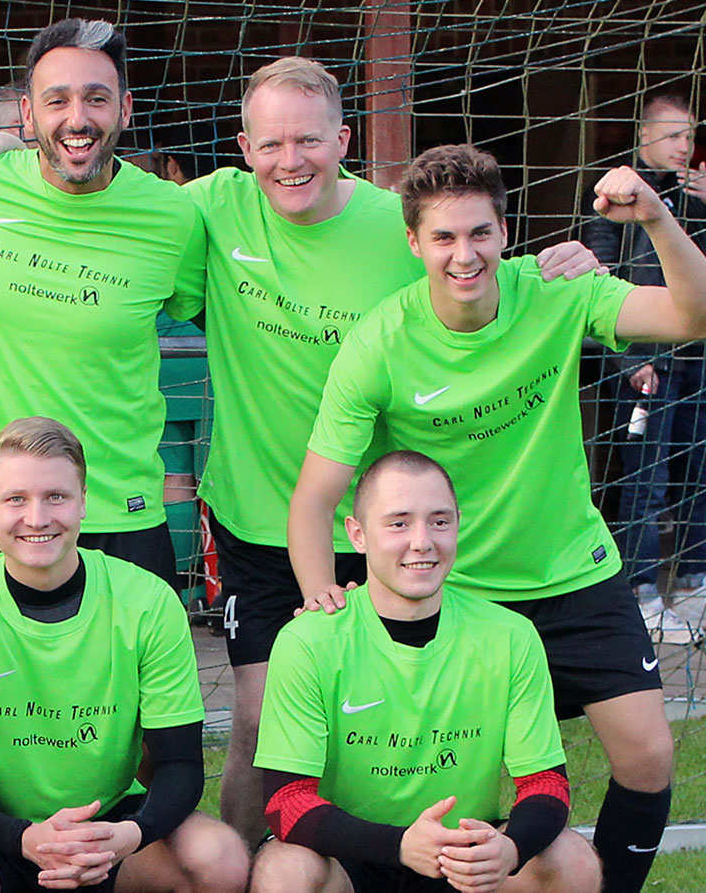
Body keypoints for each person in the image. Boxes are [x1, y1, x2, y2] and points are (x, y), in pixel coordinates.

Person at [0, 56, 599, 847]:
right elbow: (103, 197)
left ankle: (401, 856)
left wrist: (562, 264)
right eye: (273, 143)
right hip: (260, 520)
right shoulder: (209, 210)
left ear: (344, 141)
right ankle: (249, 866)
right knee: (256, 727)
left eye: (310, 141)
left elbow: (470, 268)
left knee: (395, 723)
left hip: (380, 525)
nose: (292, 161)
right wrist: (11, 146)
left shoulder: (395, 227)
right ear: (245, 148)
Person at [291, 144, 706, 893]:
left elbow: (693, 313)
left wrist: (654, 214)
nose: (464, 254)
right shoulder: (379, 344)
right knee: (448, 781)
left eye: (479, 233)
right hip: (460, 597)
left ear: (504, 232)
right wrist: (323, 599)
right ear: (413, 242)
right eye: (444, 238)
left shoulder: (554, 292)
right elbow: (317, 496)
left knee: (648, 757)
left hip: (572, 573)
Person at [0, 417, 249, 893]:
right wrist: (25, 839)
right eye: (17, 499)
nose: (37, 518)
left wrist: (128, 835)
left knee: (218, 856)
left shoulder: (148, 602)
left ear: (83, 503)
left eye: (56, 496)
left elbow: (181, 766)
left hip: (111, 837)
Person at [0, 18, 208, 589]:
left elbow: (198, 301)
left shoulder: (173, 215)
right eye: (56, 100)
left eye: (96, 99)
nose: (77, 119)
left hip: (120, 512)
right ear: (29, 115)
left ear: (126, 109)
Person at [254, 451, 598, 893]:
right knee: (285, 870)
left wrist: (509, 849)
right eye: (398, 523)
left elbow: (547, 782)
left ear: (458, 524)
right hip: (354, 856)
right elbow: (286, 801)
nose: (422, 541)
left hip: (465, 855)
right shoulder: (308, 641)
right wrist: (400, 844)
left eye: (439, 521)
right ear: (357, 534)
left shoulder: (511, 636)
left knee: (572, 860)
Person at [582, 93, 706, 642]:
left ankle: (695, 582)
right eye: (676, 135)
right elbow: (596, 281)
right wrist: (630, 360)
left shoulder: (694, 196)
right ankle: (642, 592)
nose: (686, 146)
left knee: (695, 474)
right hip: (642, 364)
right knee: (645, 481)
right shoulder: (613, 196)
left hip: (695, 361)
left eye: (690, 135)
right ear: (646, 134)